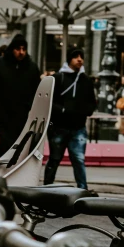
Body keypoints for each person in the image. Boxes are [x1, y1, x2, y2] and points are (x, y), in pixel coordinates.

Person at [43, 47, 96, 190]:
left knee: (78, 160)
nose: (80, 59)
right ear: (69, 59)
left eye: (81, 57)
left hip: (78, 127)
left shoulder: (86, 81)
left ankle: (82, 189)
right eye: (75, 56)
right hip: (59, 128)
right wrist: (64, 110)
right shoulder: (58, 78)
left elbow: (92, 103)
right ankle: (46, 188)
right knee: (54, 159)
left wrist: (84, 111)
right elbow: (49, 101)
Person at [0, 34, 41, 154]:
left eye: (24, 49)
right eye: (18, 49)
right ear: (12, 49)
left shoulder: (32, 67)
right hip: (2, 117)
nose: (21, 52)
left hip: (23, 118)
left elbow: (36, 92)